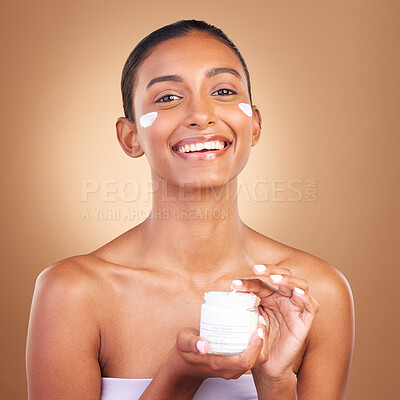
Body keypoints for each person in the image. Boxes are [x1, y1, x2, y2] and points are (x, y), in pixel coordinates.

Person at [26, 19, 354, 400]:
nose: (201, 114)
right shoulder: (73, 294)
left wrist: (276, 380)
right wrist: (178, 376)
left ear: (256, 126)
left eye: (224, 90)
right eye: (167, 97)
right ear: (130, 137)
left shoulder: (314, 297)